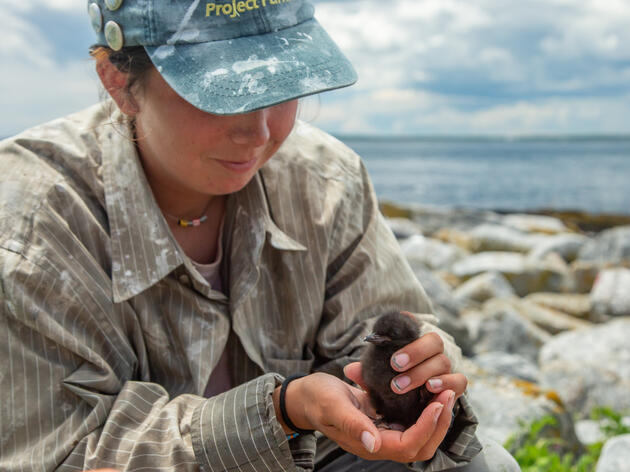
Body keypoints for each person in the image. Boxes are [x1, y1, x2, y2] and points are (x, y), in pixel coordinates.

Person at [0, 1, 519, 471]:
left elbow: (389, 331)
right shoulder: (31, 218)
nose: (262, 131)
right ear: (117, 79)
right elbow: (59, 449)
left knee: (482, 466)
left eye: (282, 89)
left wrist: (418, 376)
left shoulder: (325, 180)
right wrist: (282, 410)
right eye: (223, 93)